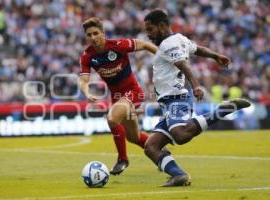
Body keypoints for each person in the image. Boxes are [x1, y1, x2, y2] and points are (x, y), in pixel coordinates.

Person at [143, 9, 251, 186]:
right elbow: (198, 49)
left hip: (175, 98)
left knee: (180, 135)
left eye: (150, 29)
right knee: (151, 147)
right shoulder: (180, 39)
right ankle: (178, 175)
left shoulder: (168, 44)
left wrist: (196, 85)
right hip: (167, 104)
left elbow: (182, 64)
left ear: (161, 26)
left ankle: (223, 110)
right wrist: (215, 55)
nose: (148, 34)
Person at [79, 17, 158, 175]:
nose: (93, 37)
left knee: (112, 119)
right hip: (117, 97)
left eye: (96, 33)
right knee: (133, 137)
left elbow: (144, 44)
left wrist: (164, 57)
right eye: (89, 35)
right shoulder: (87, 56)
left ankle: (122, 159)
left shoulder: (118, 45)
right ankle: (160, 153)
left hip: (133, 91)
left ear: (103, 33)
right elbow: (83, 80)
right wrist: (87, 92)